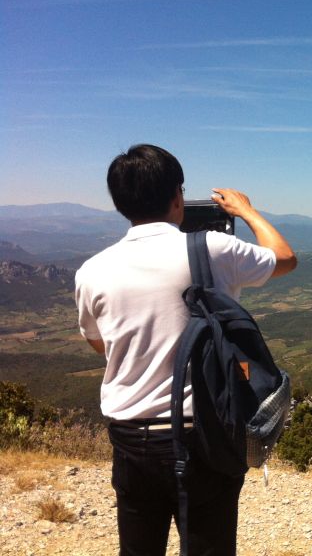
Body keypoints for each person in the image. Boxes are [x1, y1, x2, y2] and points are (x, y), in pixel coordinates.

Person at [74, 144, 296, 556]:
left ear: (119, 203)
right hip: (203, 436)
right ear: (178, 196)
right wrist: (245, 210)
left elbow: (98, 342)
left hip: (130, 437)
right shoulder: (212, 249)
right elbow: (284, 257)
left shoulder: (91, 272)